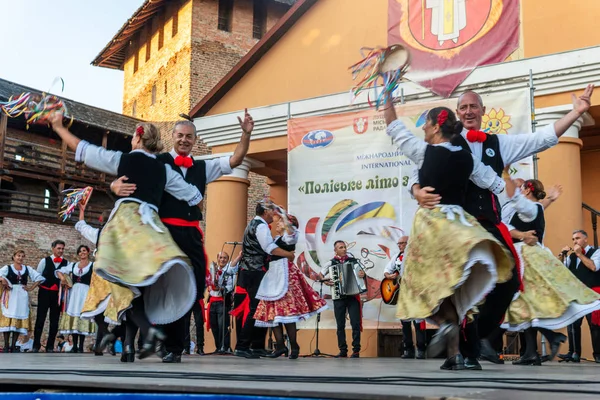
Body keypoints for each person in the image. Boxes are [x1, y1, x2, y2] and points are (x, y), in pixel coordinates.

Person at [408, 85, 594, 369]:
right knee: (456, 286)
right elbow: (416, 169)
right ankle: (461, 354)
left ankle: (474, 339)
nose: (469, 111)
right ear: (457, 113)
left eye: (474, 106)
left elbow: (541, 139)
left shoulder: (498, 144)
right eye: (464, 107)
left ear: (482, 111)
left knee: (508, 281)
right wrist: (416, 190)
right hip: (454, 224)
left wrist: (576, 112)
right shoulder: (443, 142)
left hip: (489, 223)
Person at [48, 112, 204, 361]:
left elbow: (85, 150)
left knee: (119, 280)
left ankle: (142, 333)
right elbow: (194, 195)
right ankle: (139, 336)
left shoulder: (123, 160)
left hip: (125, 227)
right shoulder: (164, 169)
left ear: (138, 138)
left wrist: (58, 127)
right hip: (151, 227)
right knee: (137, 287)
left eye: (133, 136)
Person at [111, 113, 253, 363]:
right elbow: (131, 172)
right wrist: (114, 186)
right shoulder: (158, 162)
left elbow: (236, 159)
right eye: (180, 136)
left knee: (192, 289)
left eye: (189, 136)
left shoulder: (202, 167)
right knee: (157, 287)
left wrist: (246, 134)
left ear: (195, 140)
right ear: (172, 138)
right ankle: (163, 344)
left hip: (191, 236)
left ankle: (173, 345)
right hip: (163, 233)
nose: (184, 140)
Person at [385, 103, 511, 370]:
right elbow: (495, 183)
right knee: (450, 290)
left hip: (432, 224)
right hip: (459, 223)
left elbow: (394, 128)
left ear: (434, 126)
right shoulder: (467, 158)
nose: (422, 128)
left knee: (417, 285)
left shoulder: (424, 152)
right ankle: (454, 355)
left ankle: (444, 325)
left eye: (425, 123)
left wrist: (387, 98)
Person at [500, 176, 600, 365]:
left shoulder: (529, 209)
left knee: (518, 301)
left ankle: (540, 342)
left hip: (526, 258)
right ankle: (533, 350)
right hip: (532, 257)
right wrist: (551, 199)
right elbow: (536, 207)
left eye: (522, 188)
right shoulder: (535, 208)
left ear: (528, 190)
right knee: (527, 304)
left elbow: (509, 229)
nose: (519, 191)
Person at [255, 214, 328, 360]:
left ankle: (294, 345)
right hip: (273, 275)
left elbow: (292, 234)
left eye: (280, 221)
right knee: (273, 312)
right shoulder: (276, 239)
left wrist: (286, 221)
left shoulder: (289, 237)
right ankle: (281, 345)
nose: (277, 223)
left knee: (287, 312)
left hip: (285, 274)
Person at [232, 200, 295, 359]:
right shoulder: (260, 226)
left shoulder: (254, 224)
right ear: (266, 212)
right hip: (255, 271)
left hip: (251, 270)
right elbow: (269, 248)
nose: (274, 215)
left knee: (262, 308)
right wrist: (288, 254)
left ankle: (257, 345)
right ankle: (242, 346)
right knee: (256, 308)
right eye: (272, 211)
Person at [558, 230, 600, 363]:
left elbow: (593, 267)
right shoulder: (571, 257)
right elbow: (561, 270)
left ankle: (598, 354)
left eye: (577, 238)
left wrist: (579, 254)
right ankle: (574, 352)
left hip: (591, 294)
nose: (575, 241)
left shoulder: (596, 252)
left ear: (586, 239)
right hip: (576, 295)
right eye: (573, 239)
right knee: (573, 324)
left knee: (594, 326)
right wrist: (562, 256)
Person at [319, 241, 366, 358]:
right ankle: (343, 350)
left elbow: (362, 273)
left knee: (355, 323)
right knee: (340, 325)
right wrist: (325, 280)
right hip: (338, 296)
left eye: (344, 247)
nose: (344, 249)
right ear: (335, 250)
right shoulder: (331, 263)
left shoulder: (353, 261)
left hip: (353, 296)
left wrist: (362, 274)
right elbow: (320, 274)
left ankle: (356, 350)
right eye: (341, 247)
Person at [384, 236, 427, 359]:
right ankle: (408, 349)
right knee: (405, 321)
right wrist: (389, 275)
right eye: (399, 244)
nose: (400, 246)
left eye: (402, 243)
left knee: (419, 321)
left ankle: (421, 349)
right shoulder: (397, 257)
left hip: (416, 293)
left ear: (409, 244)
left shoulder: (418, 256)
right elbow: (387, 269)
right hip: (403, 294)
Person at [0, 250, 45, 353]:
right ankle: (6, 345)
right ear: (14, 257)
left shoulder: (27, 269)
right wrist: (3, 280)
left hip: (22, 295)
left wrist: (31, 288)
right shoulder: (8, 268)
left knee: (18, 320)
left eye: (22, 256)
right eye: (18, 256)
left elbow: (39, 278)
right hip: (11, 294)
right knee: (9, 319)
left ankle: (13, 344)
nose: (20, 258)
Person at [56, 245, 97, 353]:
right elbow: (59, 270)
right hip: (74, 292)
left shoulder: (93, 265)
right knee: (74, 316)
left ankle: (80, 346)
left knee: (82, 316)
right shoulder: (73, 265)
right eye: (80, 251)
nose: (82, 253)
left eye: (84, 251)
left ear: (88, 252)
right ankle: (74, 345)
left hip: (86, 292)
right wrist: (63, 279)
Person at [32, 240, 68, 352]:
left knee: (54, 321)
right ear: (53, 248)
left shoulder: (67, 263)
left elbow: (68, 279)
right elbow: (38, 277)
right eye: (59, 248)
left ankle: (50, 346)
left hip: (58, 294)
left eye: (62, 248)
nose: (60, 250)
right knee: (40, 319)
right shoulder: (44, 261)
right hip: (44, 292)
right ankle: (36, 345)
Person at [207, 252, 239, 353]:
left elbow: (230, 286)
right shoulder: (213, 269)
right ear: (217, 258)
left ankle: (225, 347)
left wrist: (220, 288)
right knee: (214, 326)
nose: (222, 260)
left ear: (227, 259)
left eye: (225, 258)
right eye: (220, 257)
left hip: (222, 301)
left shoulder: (229, 270)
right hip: (212, 301)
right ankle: (218, 347)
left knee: (223, 326)